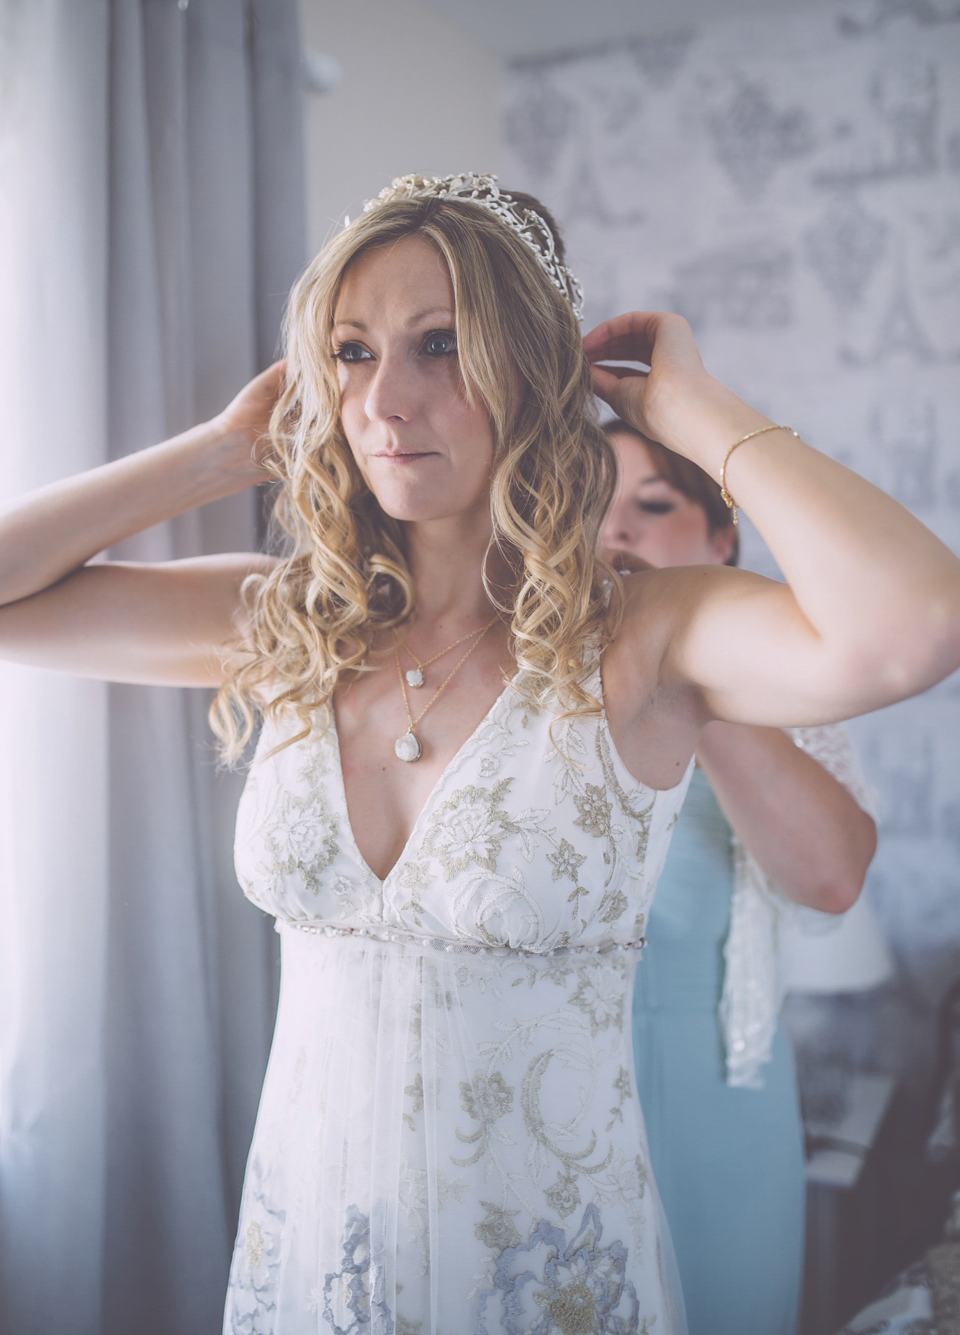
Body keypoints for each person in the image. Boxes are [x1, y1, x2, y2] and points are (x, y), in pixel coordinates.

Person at [0, 171, 957, 1334]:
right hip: (305, 1268)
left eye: (442, 345)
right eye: (352, 353)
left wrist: (692, 413)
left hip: (547, 1282)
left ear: (529, 375)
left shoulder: (646, 637)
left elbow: (916, 623)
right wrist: (215, 452)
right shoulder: (290, 619)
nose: (388, 400)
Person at [601, 420, 878, 1335]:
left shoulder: (779, 690)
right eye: (589, 512)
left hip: (714, 1079)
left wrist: (683, 663)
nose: (618, 534)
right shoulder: (524, 677)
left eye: (652, 505)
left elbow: (832, 879)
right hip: (539, 1069)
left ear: (723, 539)